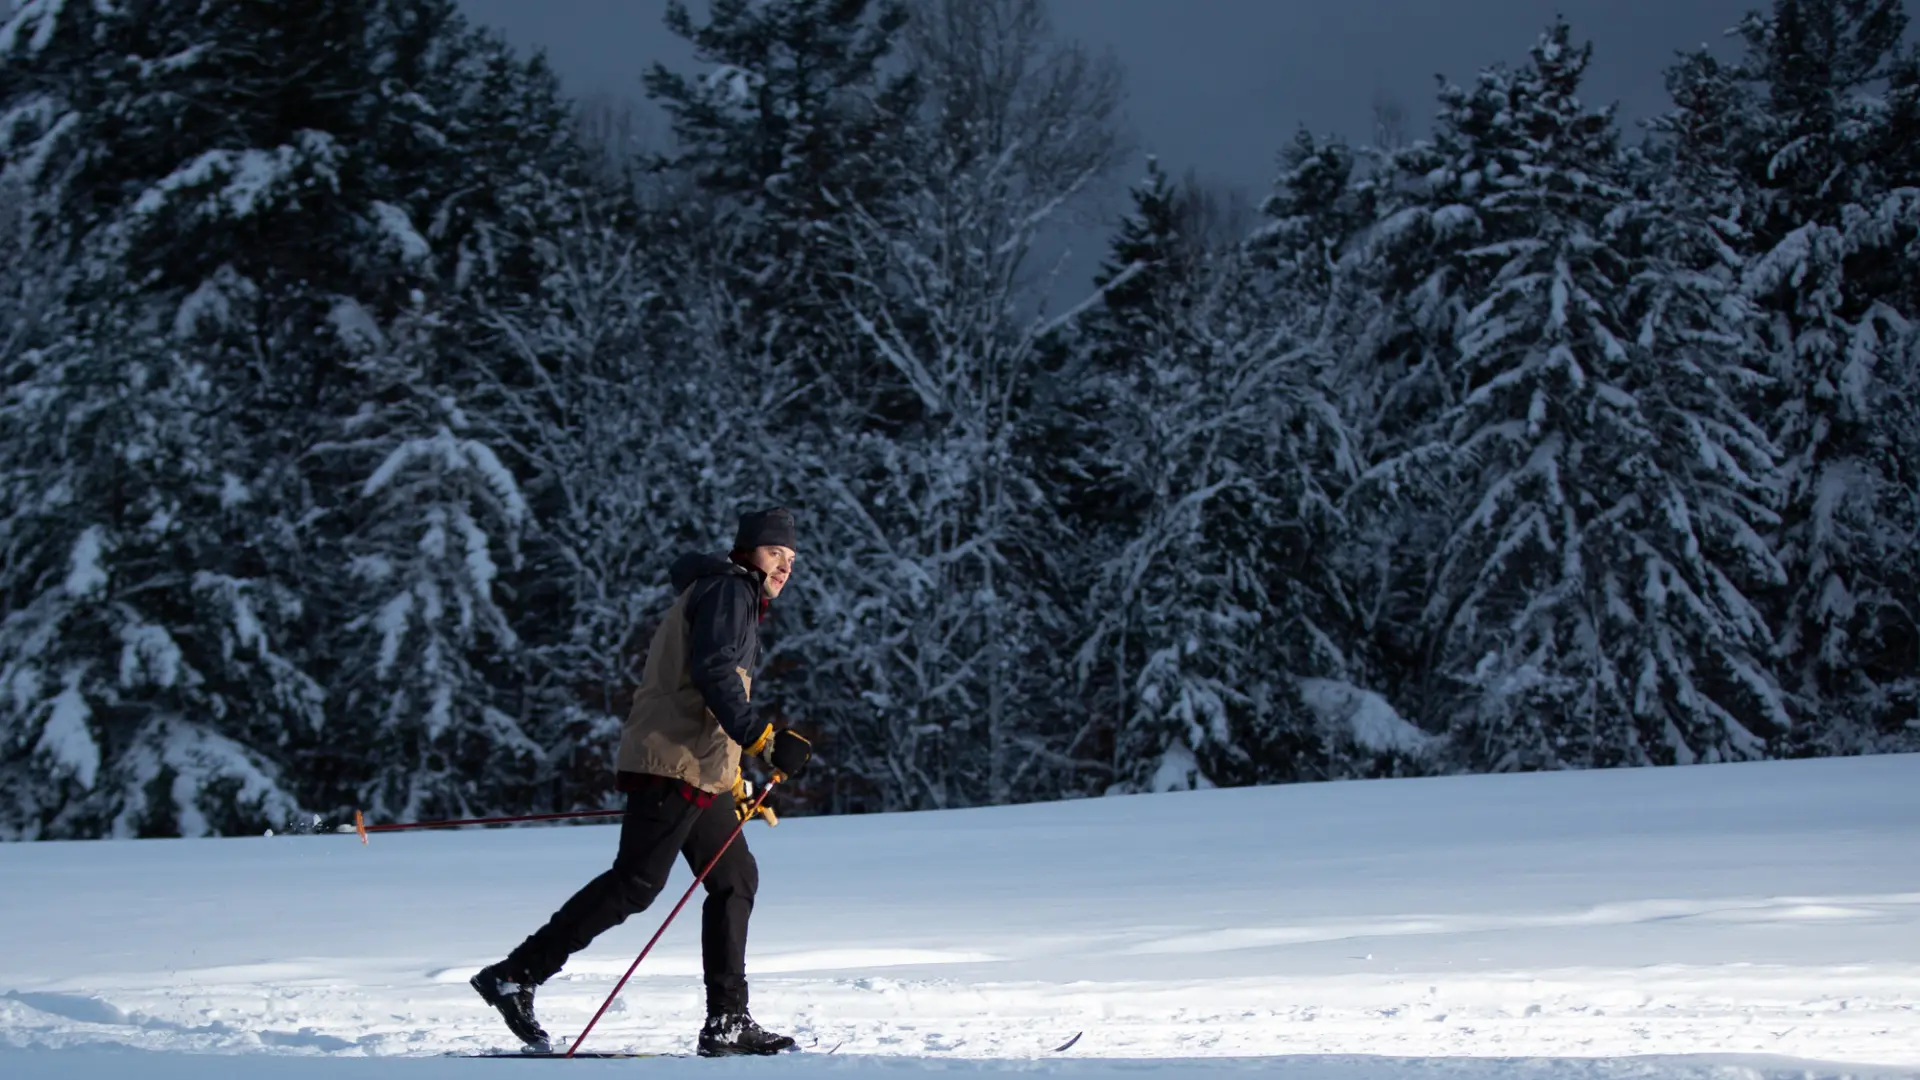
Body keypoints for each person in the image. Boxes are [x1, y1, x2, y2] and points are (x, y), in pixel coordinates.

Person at [472, 507, 813, 1057]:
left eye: (791, 559)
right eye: (776, 553)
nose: (785, 566)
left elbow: (709, 691)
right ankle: (516, 975)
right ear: (748, 551)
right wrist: (761, 738)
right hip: (670, 764)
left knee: (734, 879)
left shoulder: (732, 595)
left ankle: (727, 1021)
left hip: (698, 769)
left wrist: (732, 778)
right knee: (636, 884)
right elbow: (715, 675)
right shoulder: (729, 591)